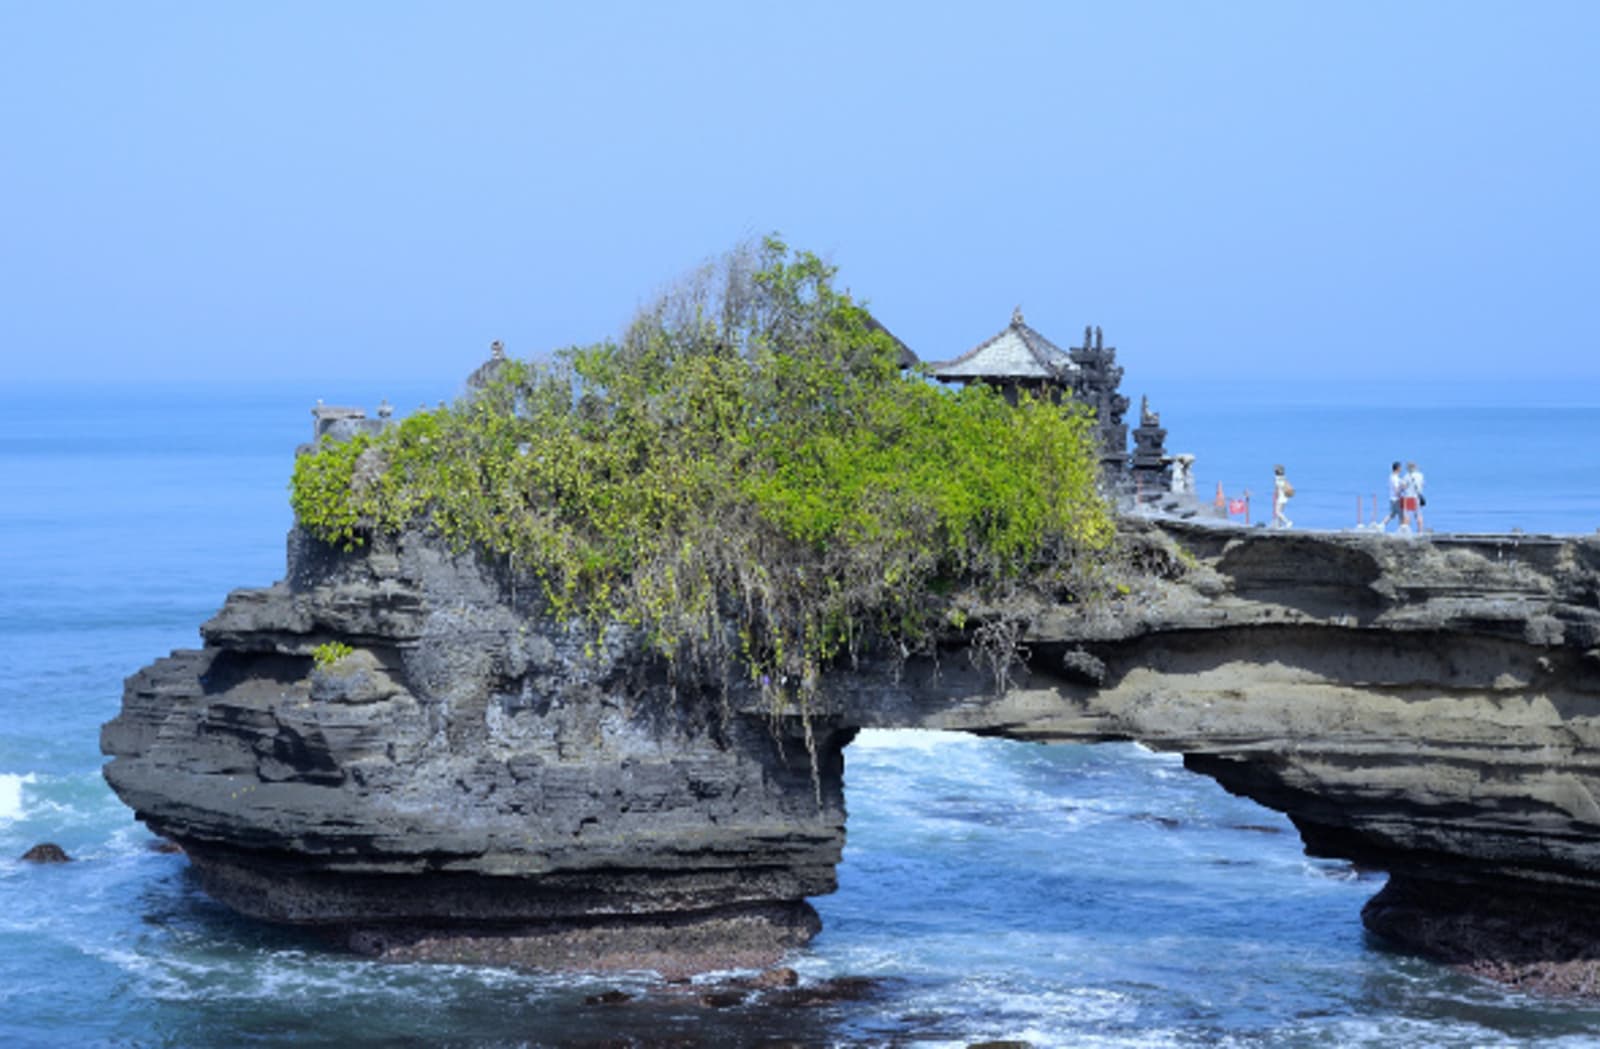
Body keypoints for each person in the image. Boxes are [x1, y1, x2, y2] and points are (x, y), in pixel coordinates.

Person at [1379, 461, 1404, 531]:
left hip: (1392, 498)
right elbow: (1397, 489)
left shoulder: (1392, 476)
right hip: (1397, 499)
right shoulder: (1395, 478)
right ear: (1397, 468)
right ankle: (1401, 529)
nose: (1401, 469)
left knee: (1392, 514)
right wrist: (1401, 490)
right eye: (1400, 467)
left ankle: (1382, 525)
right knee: (1401, 515)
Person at [1404, 460, 1426, 533]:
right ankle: (1420, 531)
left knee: (1407, 515)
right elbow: (1423, 485)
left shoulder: (1406, 476)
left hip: (1409, 497)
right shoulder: (1420, 475)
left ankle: (1407, 531)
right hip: (1417, 497)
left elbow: (1404, 486)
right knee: (1418, 515)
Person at [1272, 464, 1293, 529]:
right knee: (1280, 512)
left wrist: (1275, 495)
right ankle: (1279, 525)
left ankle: (1288, 522)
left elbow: (1277, 489)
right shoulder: (1284, 478)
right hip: (1285, 497)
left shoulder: (1277, 479)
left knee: (1277, 512)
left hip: (1281, 497)